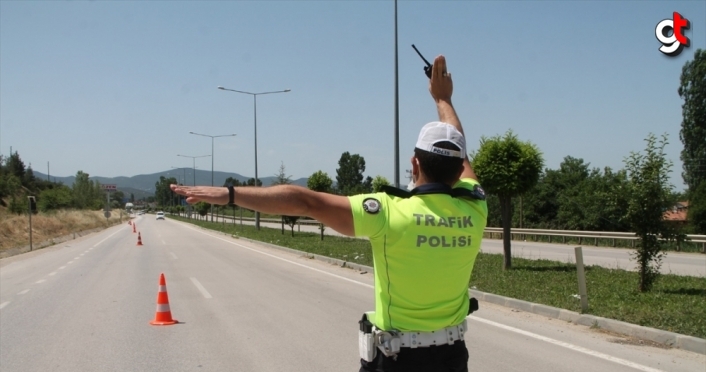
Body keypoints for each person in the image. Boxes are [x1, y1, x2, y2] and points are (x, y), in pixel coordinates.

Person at [171, 54, 488, 372]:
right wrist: (443, 99)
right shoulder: (475, 207)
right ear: (459, 168)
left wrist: (229, 194)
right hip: (453, 359)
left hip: (397, 361)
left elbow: (305, 201)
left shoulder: (388, 213)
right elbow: (457, 145)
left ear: (415, 164)